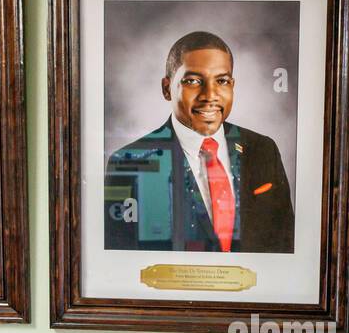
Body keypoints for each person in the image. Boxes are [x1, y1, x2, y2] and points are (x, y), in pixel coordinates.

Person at [104, 31, 294, 253]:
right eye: (193, 81)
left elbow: (284, 245)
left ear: (232, 85)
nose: (209, 95)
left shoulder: (263, 150)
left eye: (222, 81)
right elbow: (119, 260)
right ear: (167, 89)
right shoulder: (128, 163)